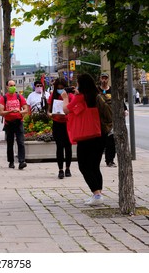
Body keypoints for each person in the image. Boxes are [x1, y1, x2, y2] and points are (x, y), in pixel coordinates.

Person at [62, 73, 106, 206]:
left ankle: (97, 194)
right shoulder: (96, 95)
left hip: (85, 136)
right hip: (99, 135)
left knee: (84, 166)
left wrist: (65, 97)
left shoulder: (80, 97)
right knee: (95, 166)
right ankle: (97, 193)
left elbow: (66, 110)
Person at [0, 79, 29, 170]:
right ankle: (11, 161)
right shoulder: (3, 98)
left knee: (20, 142)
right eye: (10, 85)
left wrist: (20, 111)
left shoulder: (20, 97)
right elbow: (1, 112)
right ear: (7, 87)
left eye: (14, 85)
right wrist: (11, 111)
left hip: (18, 121)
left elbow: (26, 109)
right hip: (9, 123)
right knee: (10, 142)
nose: (12, 87)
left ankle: (21, 161)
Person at [47, 78, 74, 179]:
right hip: (57, 123)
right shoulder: (52, 96)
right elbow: (48, 110)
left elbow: (73, 108)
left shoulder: (70, 96)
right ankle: (60, 169)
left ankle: (68, 168)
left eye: (62, 88)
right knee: (59, 146)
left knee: (68, 146)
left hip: (67, 123)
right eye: (58, 88)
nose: (60, 90)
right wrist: (50, 114)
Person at [98, 72, 117, 167]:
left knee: (111, 141)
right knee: (100, 141)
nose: (104, 80)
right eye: (102, 78)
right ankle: (96, 160)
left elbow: (118, 101)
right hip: (100, 120)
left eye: (106, 78)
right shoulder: (97, 90)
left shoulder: (112, 90)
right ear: (100, 79)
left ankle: (110, 160)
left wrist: (124, 110)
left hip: (111, 119)